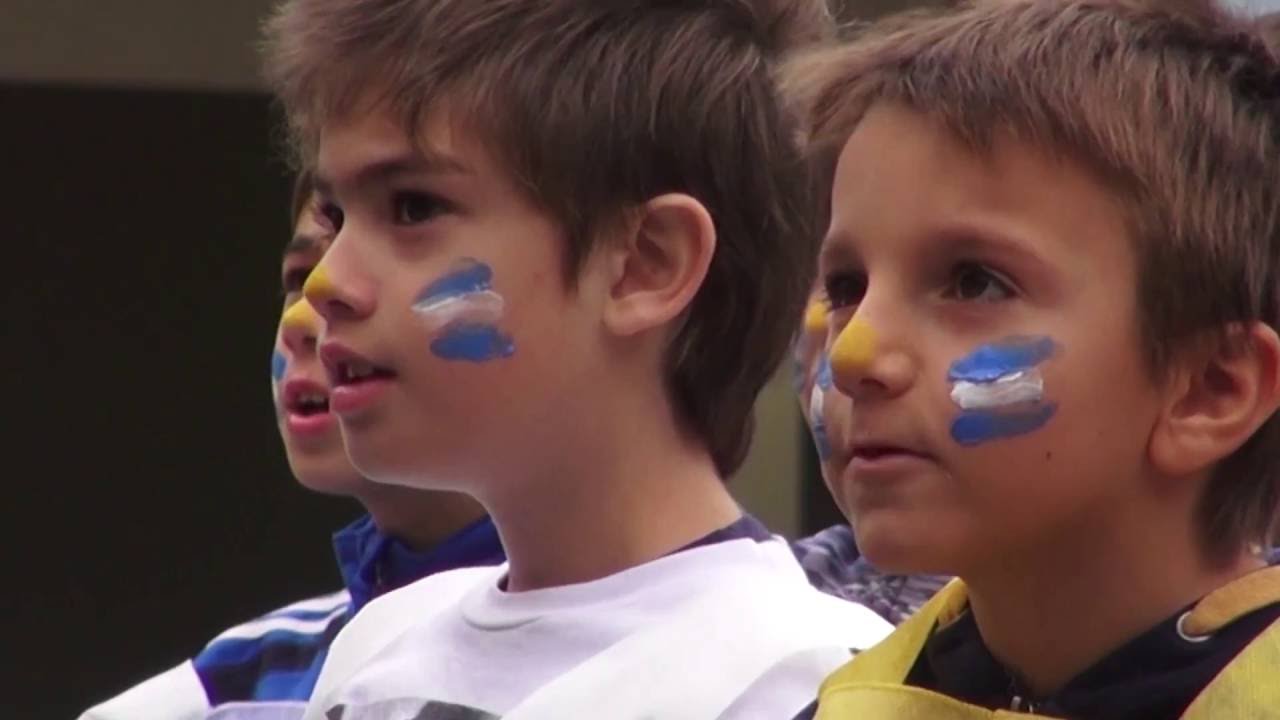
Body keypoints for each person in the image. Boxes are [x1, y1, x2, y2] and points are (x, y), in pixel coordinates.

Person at [261, 1, 892, 718]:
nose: (325, 286)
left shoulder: (817, 687)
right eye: (337, 216)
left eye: (412, 208)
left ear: (646, 263)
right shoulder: (373, 656)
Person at [784, 1, 1280, 717]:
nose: (855, 350)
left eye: (974, 281)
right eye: (847, 288)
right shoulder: (845, 704)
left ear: (1209, 389)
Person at [78, 173, 504, 719]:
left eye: (413, 222)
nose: (304, 318)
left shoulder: (639, 662)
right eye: (299, 278)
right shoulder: (230, 688)